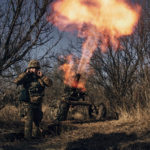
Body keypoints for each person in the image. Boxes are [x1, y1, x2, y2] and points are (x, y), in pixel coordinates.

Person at [14, 60, 52, 139]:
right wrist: (25, 73)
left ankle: (36, 140)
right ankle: (27, 141)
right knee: (28, 123)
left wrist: (43, 76)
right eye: (32, 68)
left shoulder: (40, 78)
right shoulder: (26, 77)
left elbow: (50, 84)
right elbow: (16, 81)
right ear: (29, 68)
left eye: (36, 68)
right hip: (28, 104)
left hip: (38, 103)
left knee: (37, 123)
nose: (34, 70)